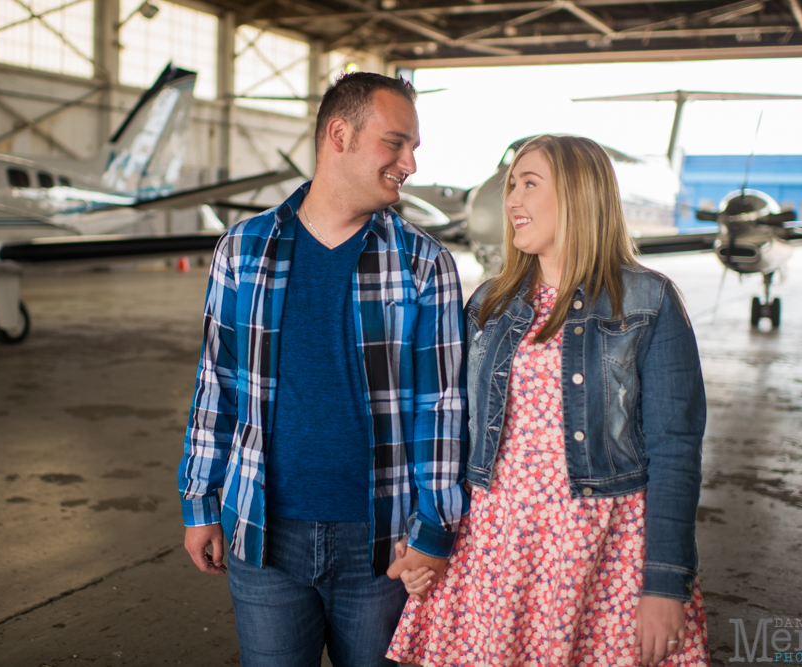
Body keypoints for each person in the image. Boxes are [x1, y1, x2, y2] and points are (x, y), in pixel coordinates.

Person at [177, 72, 468, 667]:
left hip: (384, 543)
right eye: (396, 142)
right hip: (263, 533)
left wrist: (435, 528)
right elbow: (219, 383)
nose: (410, 162)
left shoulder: (424, 263)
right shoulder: (242, 249)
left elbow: (439, 407)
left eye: (413, 146)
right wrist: (200, 502)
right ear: (340, 134)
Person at [387, 134, 709, 667]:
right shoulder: (489, 303)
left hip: (605, 554)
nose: (512, 199)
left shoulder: (648, 301)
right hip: (493, 550)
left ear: (581, 195)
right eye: (511, 184)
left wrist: (665, 584)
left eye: (529, 184)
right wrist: (427, 539)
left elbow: (676, 453)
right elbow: (452, 433)